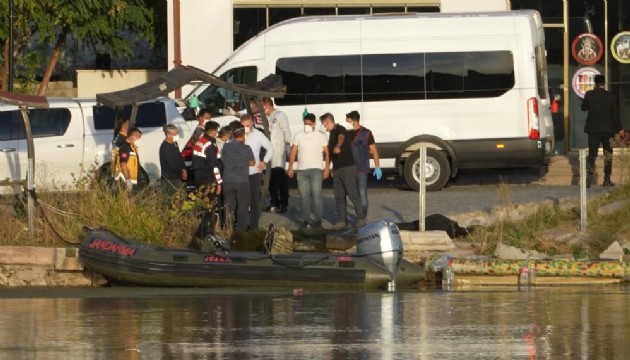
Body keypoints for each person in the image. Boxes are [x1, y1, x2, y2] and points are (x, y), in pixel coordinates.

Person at [320, 112, 365, 229]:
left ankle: (361, 218)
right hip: (337, 169)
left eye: (324, 125)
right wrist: (328, 168)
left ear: (328, 122)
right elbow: (330, 154)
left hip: (348, 167)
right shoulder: (331, 134)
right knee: (339, 195)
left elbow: (341, 137)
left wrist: (338, 146)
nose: (324, 127)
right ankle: (342, 220)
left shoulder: (340, 129)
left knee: (352, 194)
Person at [287, 113, 330, 229]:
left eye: (309, 124)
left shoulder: (321, 136)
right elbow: (293, 152)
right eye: (305, 124)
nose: (307, 126)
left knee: (317, 195)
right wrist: (290, 167)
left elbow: (327, 153)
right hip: (301, 170)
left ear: (314, 123)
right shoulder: (298, 135)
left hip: (316, 169)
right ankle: (306, 220)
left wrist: (327, 168)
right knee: (304, 196)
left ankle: (317, 220)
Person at [581, 75, 624, 188]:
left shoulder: (589, 95)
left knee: (592, 155)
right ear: (604, 84)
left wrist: (586, 101)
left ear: (595, 84)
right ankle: (607, 180)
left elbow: (583, 108)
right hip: (608, 131)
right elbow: (615, 114)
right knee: (608, 155)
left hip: (593, 130)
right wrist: (619, 129)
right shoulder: (610, 96)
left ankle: (588, 180)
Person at [346, 110, 382, 218]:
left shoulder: (366, 133)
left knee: (362, 195)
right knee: (353, 195)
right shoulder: (347, 133)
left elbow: (374, 150)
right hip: (350, 169)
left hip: (361, 168)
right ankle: (359, 215)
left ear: (353, 120)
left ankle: (362, 217)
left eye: (347, 120)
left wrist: (377, 167)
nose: (346, 122)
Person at [221, 124, 256, 233]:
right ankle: (241, 230)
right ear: (243, 135)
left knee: (228, 205)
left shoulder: (226, 147)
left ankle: (228, 228)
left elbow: (223, 159)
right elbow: (252, 162)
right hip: (242, 181)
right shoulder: (246, 148)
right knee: (243, 206)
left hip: (228, 180)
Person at [241, 114, 273, 229]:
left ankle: (254, 226)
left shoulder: (258, 135)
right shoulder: (238, 135)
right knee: (243, 201)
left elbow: (270, 148)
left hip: (254, 172)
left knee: (254, 201)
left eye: (248, 125)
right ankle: (242, 225)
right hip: (241, 173)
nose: (246, 128)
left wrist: (264, 161)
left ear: (252, 123)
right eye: (244, 126)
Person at [262, 97, 292, 213]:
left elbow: (286, 131)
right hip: (269, 153)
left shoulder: (280, 115)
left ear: (268, 105)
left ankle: (284, 203)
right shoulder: (265, 117)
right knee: (270, 181)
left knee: (280, 179)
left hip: (279, 152)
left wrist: (288, 147)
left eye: (263, 106)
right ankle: (274, 203)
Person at [192, 121, 222, 198]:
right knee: (213, 204)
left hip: (199, 177)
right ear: (213, 131)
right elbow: (214, 166)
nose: (217, 133)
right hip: (209, 180)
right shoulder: (210, 146)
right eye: (217, 131)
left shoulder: (200, 141)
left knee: (204, 202)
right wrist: (218, 182)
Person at [159, 124, 187, 196]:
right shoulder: (165, 147)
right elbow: (171, 164)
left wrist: (184, 169)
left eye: (177, 133)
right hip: (170, 179)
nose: (177, 135)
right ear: (168, 135)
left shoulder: (174, 143)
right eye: (174, 134)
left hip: (177, 177)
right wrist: (181, 172)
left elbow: (179, 157)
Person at [114, 127, 143, 192]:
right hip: (124, 180)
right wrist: (128, 179)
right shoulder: (125, 147)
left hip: (132, 180)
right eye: (138, 137)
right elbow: (123, 164)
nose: (138, 139)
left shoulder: (132, 147)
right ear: (132, 136)